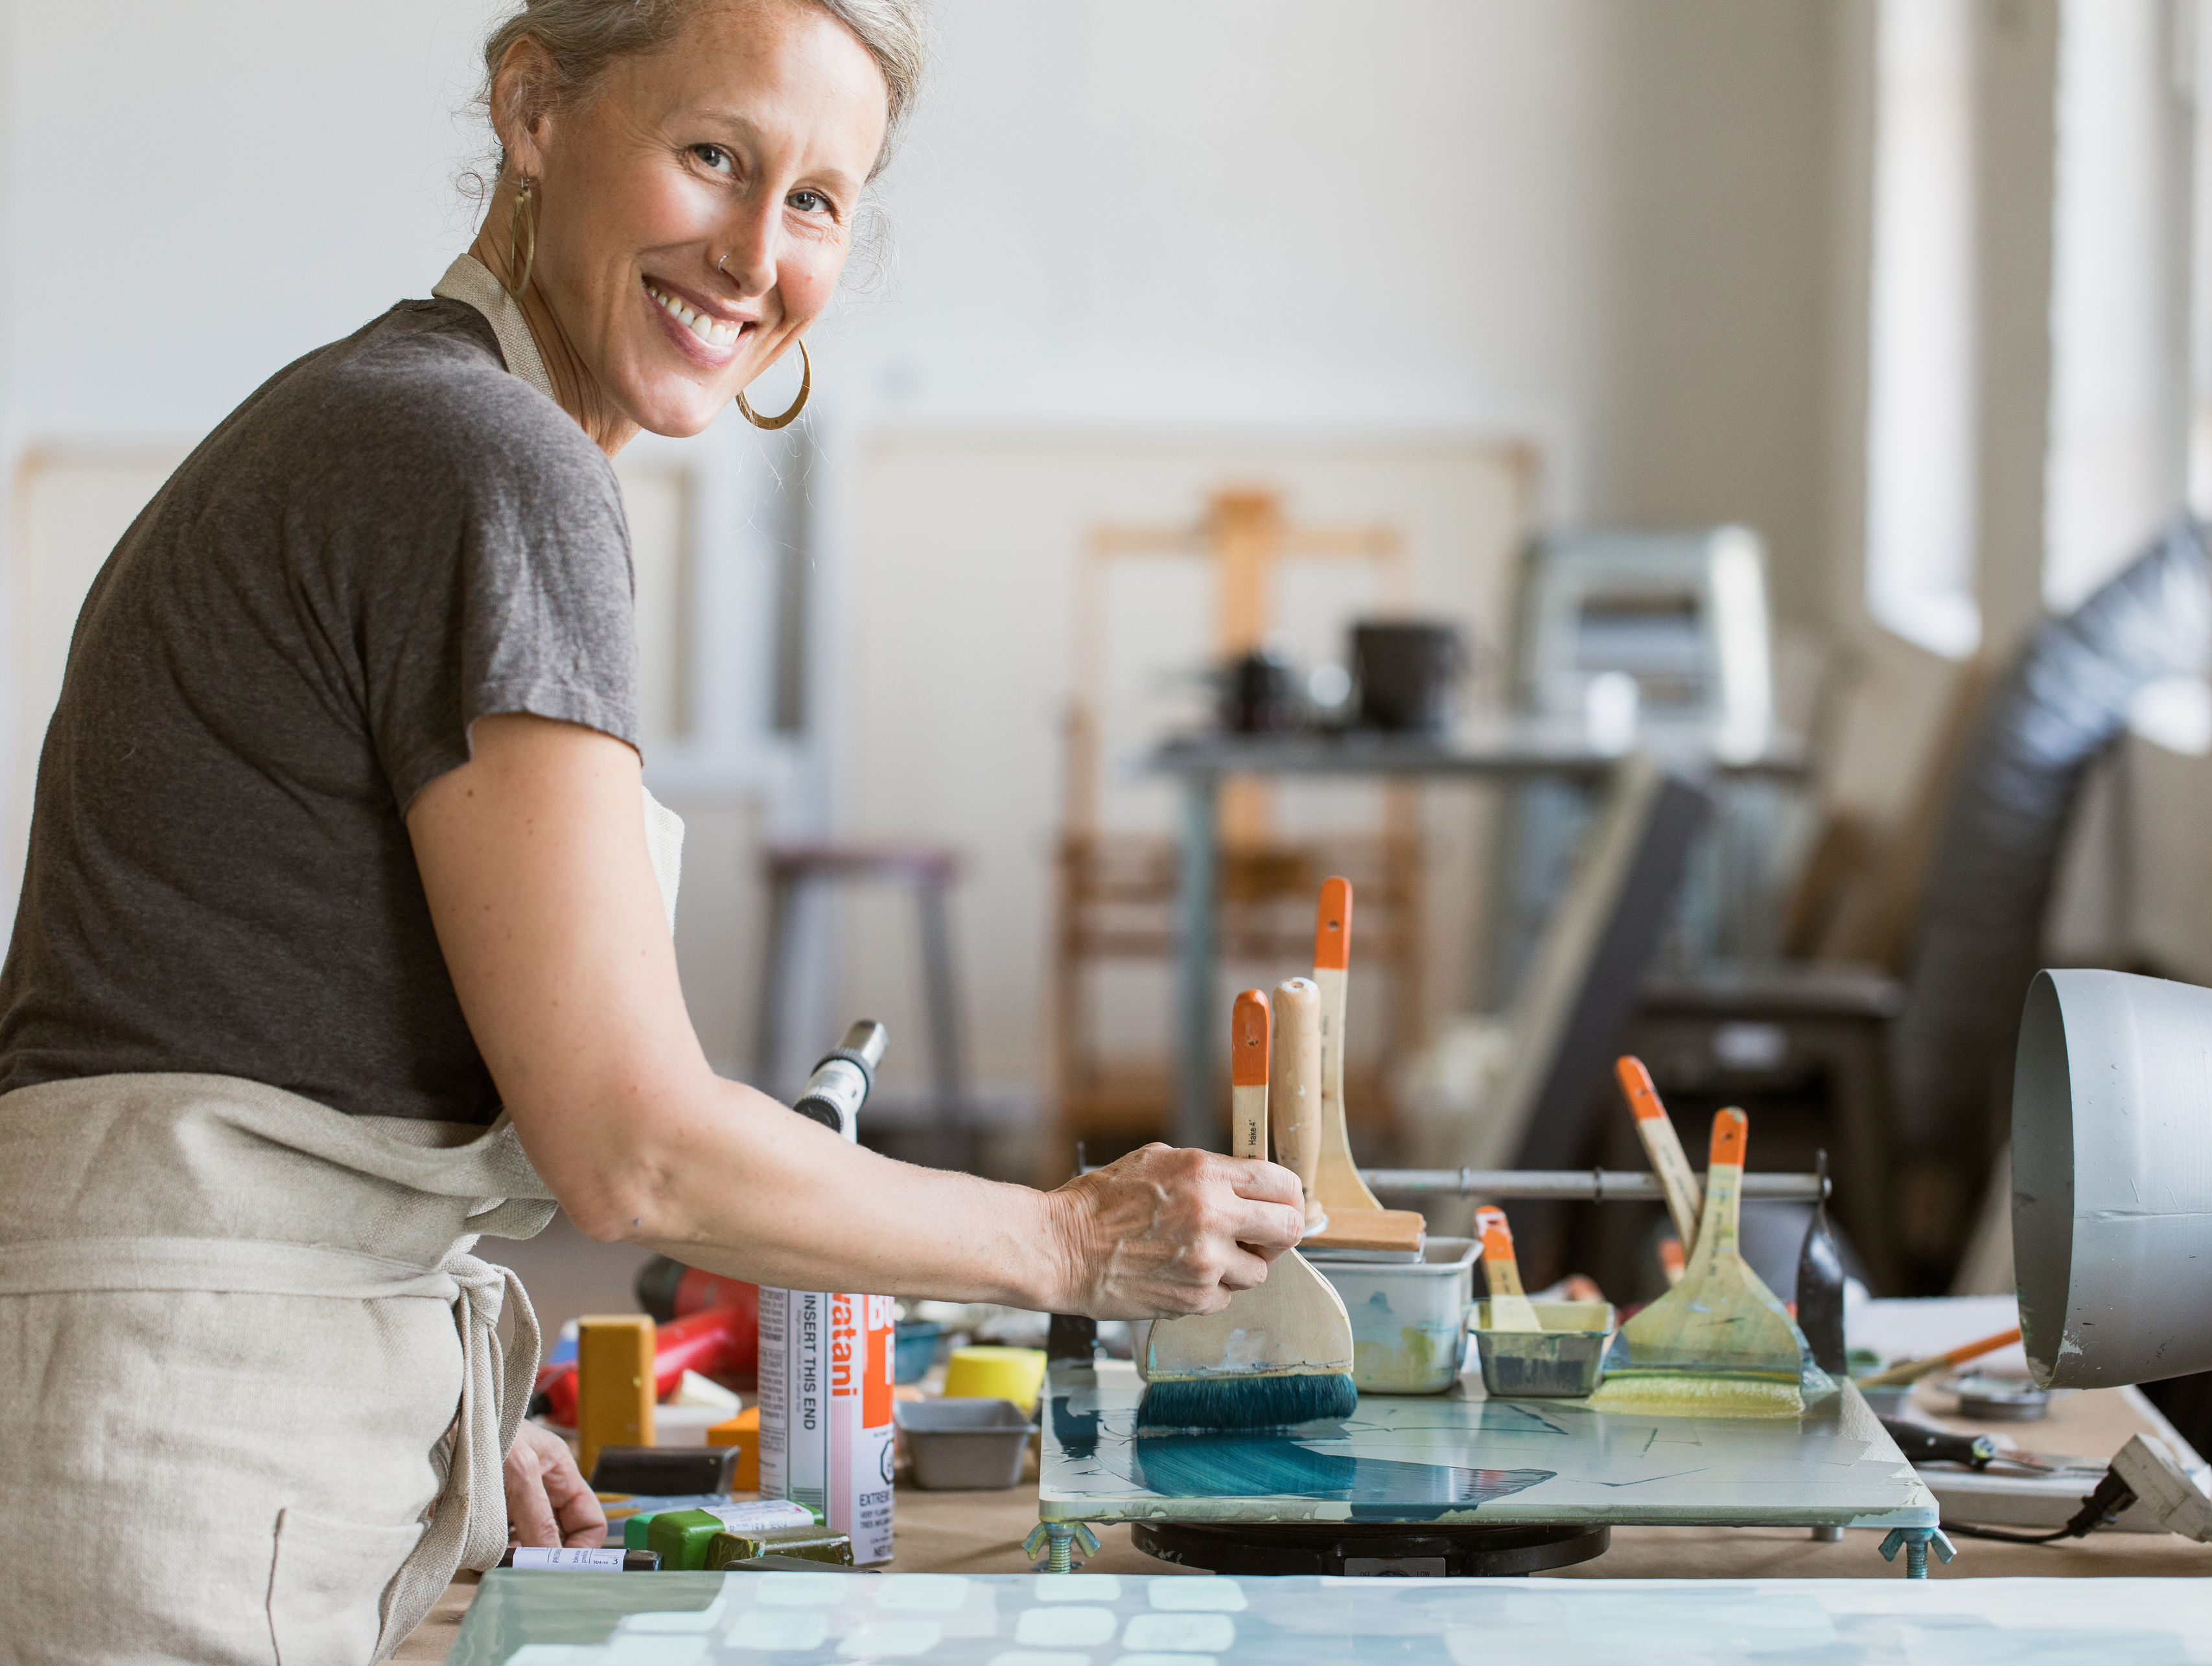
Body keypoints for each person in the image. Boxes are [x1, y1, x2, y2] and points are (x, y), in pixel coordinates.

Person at [0, 3, 1303, 1659]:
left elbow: (243, 1006)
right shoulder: (485, 458)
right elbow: (634, 1146)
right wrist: (1068, 1238)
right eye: (714, 157)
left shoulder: (382, 419)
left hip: (153, 1397)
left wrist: (452, 1404)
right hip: (168, 1446)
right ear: (535, 109)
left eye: (820, 200)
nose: (758, 253)